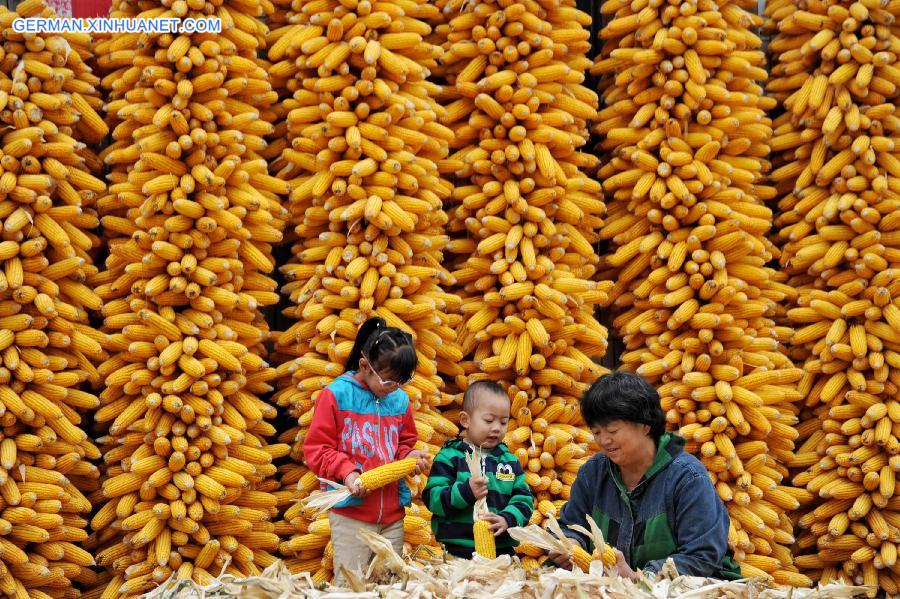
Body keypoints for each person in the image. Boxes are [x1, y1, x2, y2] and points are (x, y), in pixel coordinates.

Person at [549, 371, 742, 580]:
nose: (604, 441)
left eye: (612, 431)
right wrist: (570, 543)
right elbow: (570, 525)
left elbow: (701, 556)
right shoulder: (592, 474)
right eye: (597, 432)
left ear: (645, 426)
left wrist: (641, 578)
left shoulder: (688, 478)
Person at [303, 317, 431, 586]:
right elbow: (318, 449)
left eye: (402, 382)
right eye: (389, 382)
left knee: (391, 587)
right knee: (352, 587)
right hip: (351, 516)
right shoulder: (336, 395)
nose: (394, 389)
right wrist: (347, 473)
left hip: (393, 517)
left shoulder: (399, 399)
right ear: (365, 365)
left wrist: (409, 459)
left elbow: (404, 443)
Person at [423, 381, 534, 559]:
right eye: (489, 420)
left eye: (504, 422)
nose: (497, 427)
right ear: (465, 420)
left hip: (501, 551)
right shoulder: (449, 457)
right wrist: (465, 492)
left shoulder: (509, 461)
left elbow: (525, 499)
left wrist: (508, 518)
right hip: (456, 551)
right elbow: (433, 499)